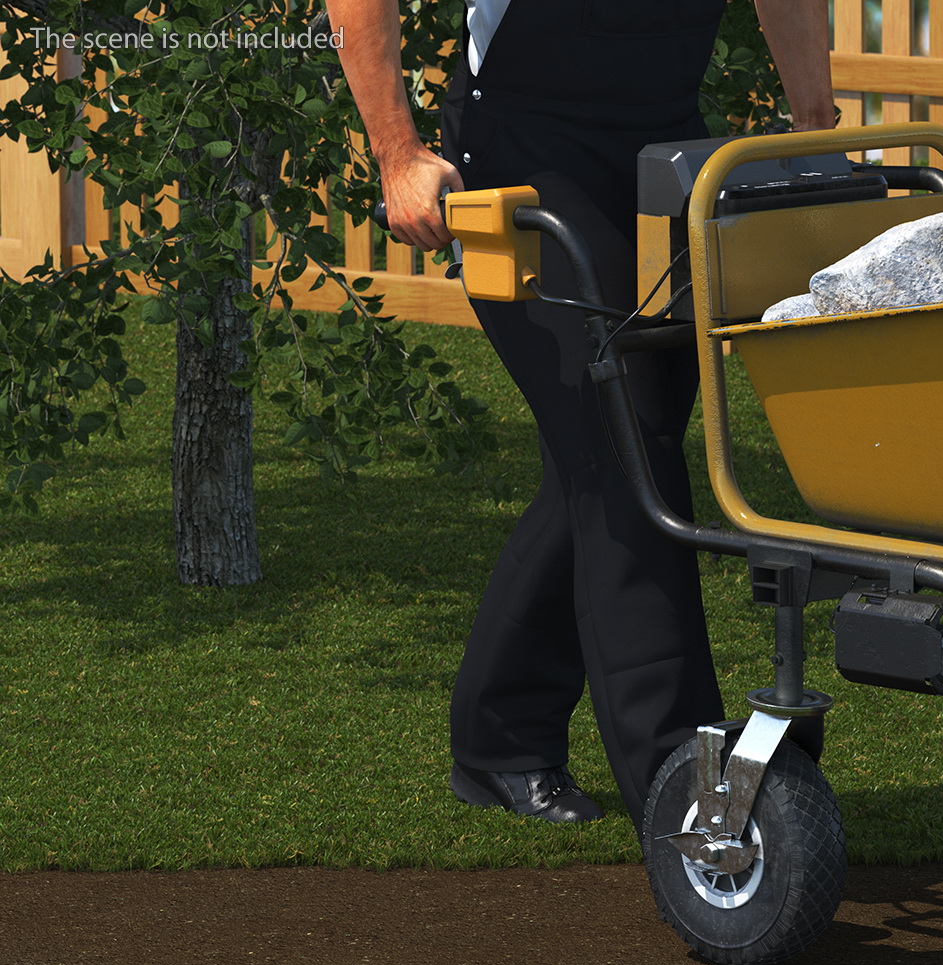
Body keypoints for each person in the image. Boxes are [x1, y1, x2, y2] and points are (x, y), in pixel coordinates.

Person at [328, 0, 834, 826]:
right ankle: (683, 778)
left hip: (668, 148)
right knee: (623, 442)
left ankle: (501, 736)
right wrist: (397, 155)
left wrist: (814, 117)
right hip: (528, 153)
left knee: (613, 454)